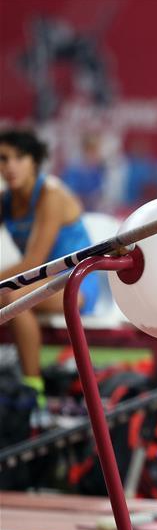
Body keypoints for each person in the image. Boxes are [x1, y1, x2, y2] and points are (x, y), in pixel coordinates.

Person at [0, 129, 100, 416]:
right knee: (13, 296)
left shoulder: (51, 195)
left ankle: (34, 393)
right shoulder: (6, 200)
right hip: (35, 285)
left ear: (34, 162)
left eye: (19, 158)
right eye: (3, 159)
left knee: (12, 300)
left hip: (76, 283)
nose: (10, 166)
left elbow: (34, 261)